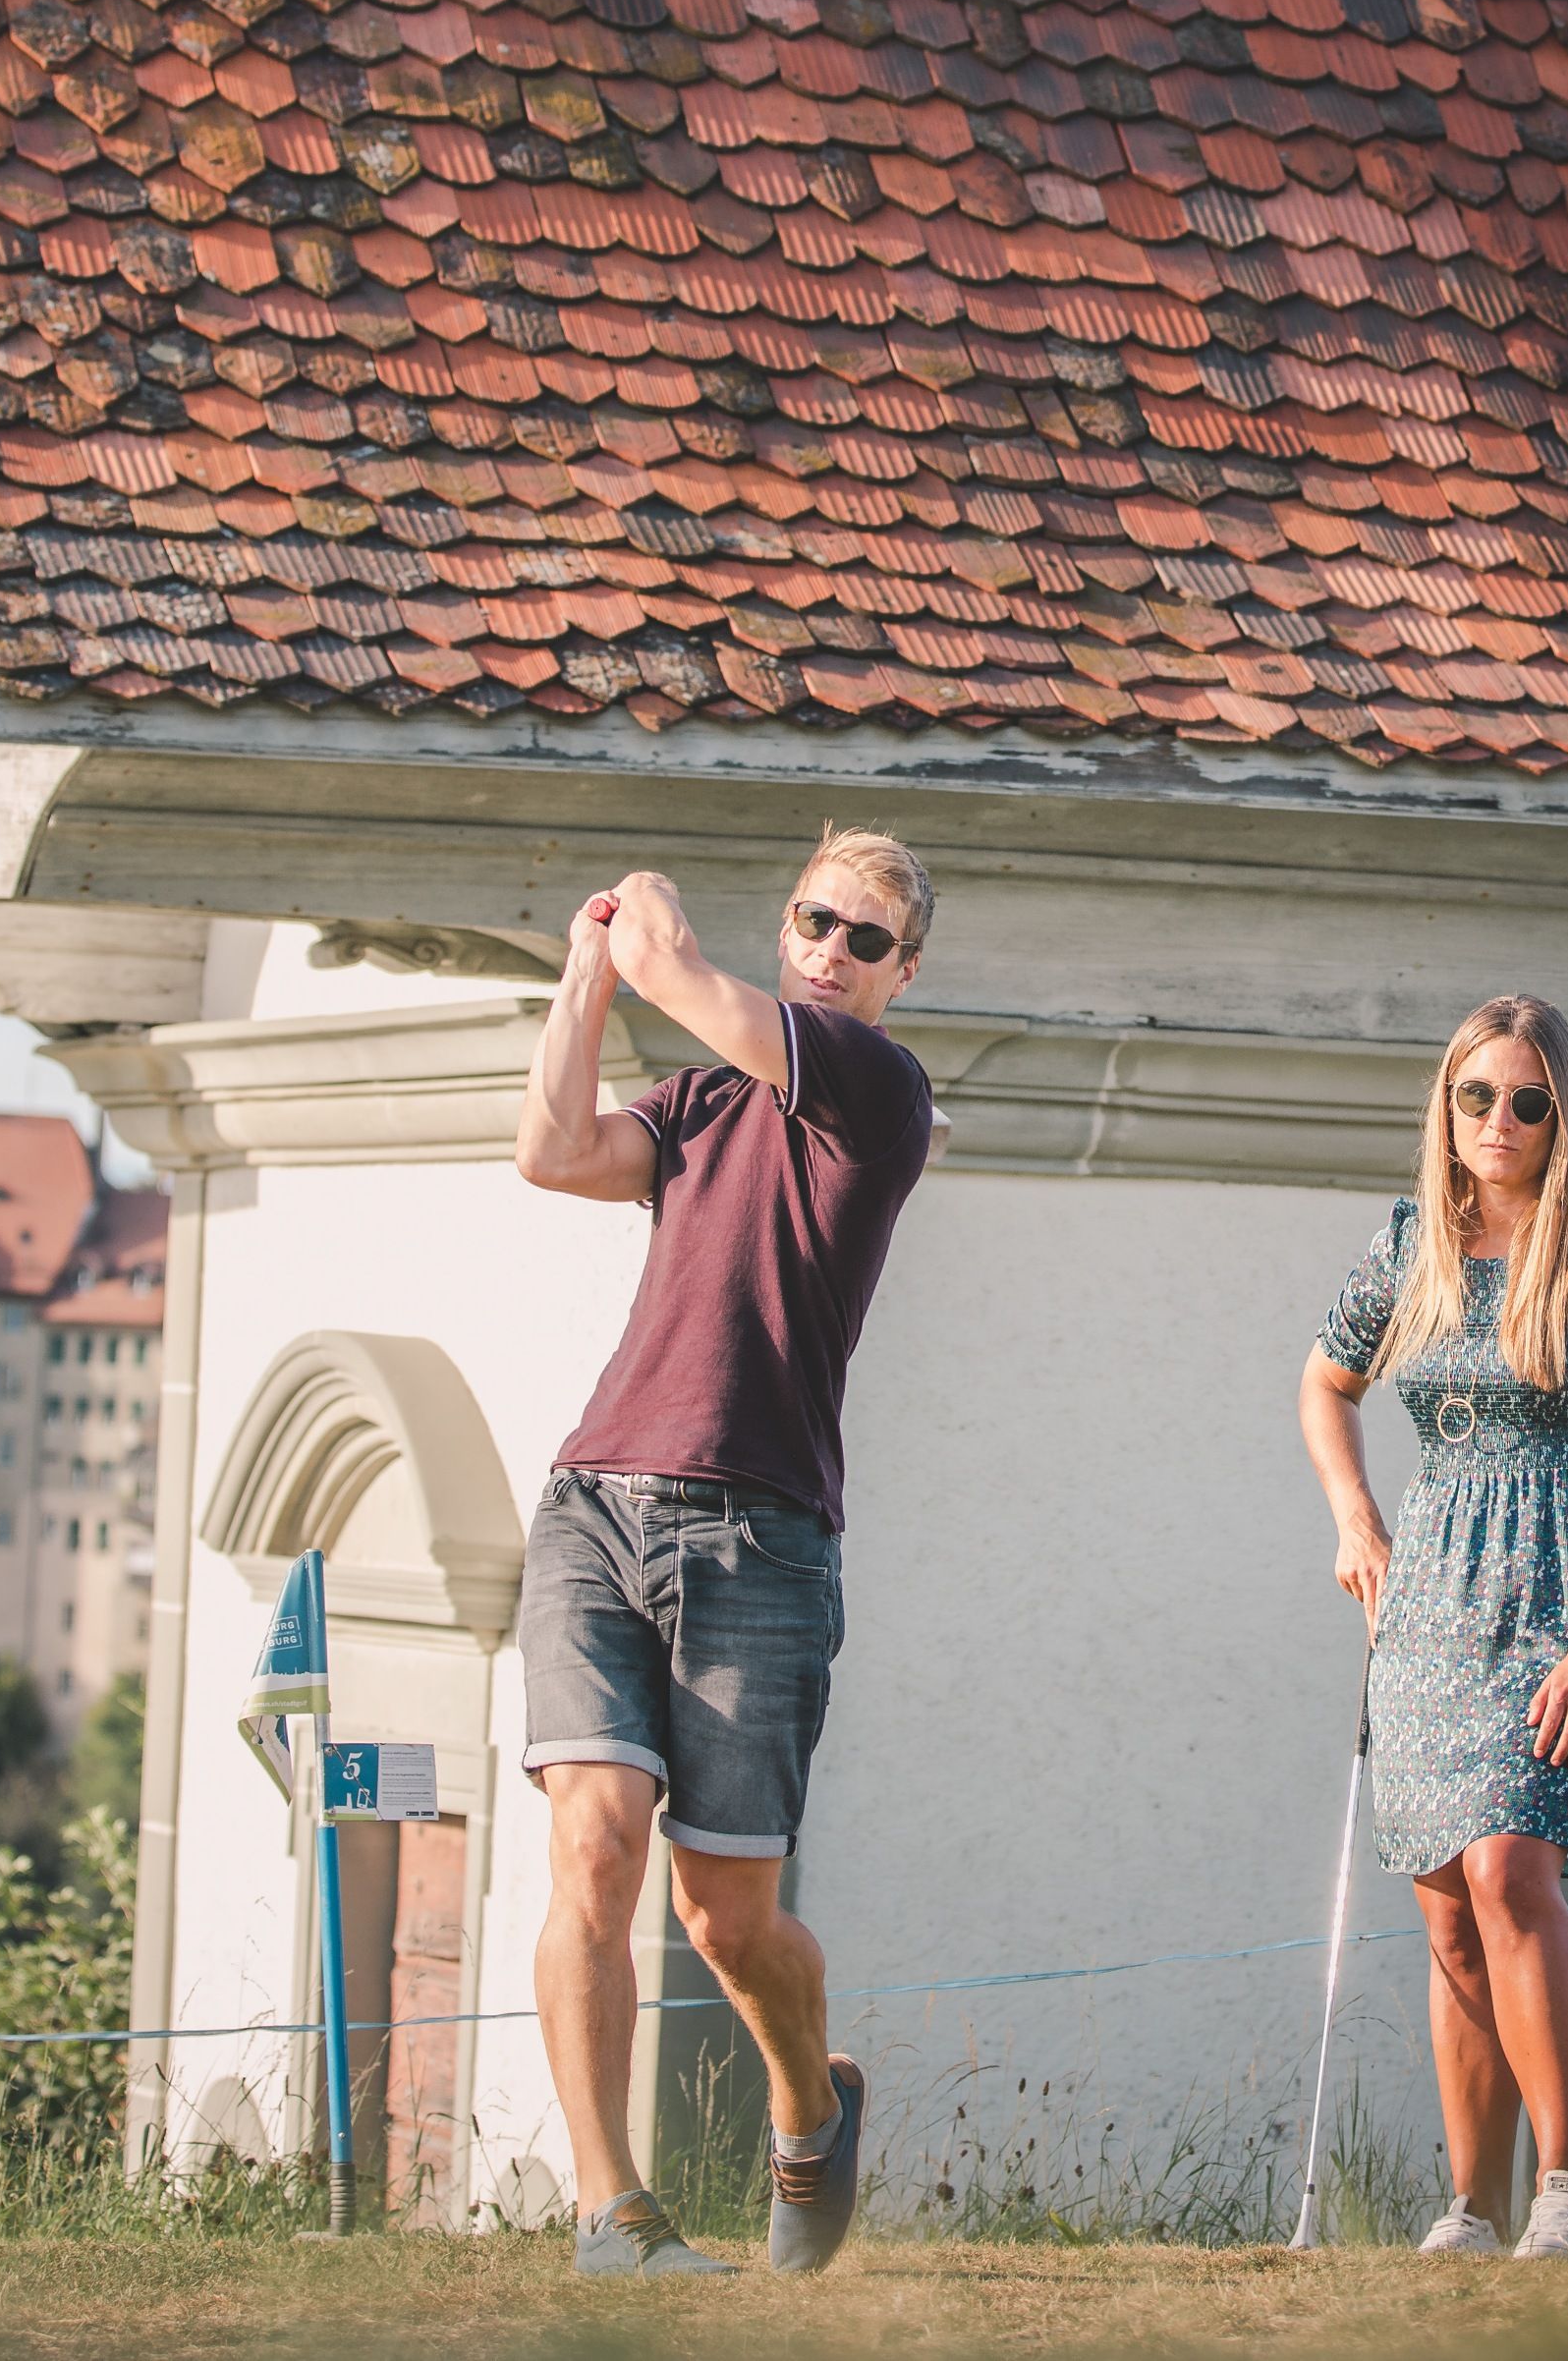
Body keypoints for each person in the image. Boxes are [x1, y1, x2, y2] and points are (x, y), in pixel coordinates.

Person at [507, 826, 939, 2277]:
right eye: (815, 917)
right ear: (791, 918)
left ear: (901, 970)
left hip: (760, 1535)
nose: (829, 946)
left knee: (724, 1917)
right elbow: (552, 1149)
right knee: (591, 1843)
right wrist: (583, 964)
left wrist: (653, 940)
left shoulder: (877, 1090)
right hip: (595, 1502)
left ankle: (811, 2108)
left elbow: (684, 976)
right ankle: (610, 2211)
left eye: (863, 935)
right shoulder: (696, 1096)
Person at [1294, 995, 1568, 2261]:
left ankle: (1564, 2195)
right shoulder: (1409, 1241)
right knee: (1445, 1907)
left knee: (1512, 1868)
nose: (1501, 1122)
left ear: (1562, 1113)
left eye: (1528, 1101)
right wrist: (1355, 1519)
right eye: (1478, 1097)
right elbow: (1323, 1379)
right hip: (1431, 1596)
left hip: (1564, 1587)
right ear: (1445, 1104)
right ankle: (1469, 2210)